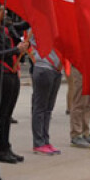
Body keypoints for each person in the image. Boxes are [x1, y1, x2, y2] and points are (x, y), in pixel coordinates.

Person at [0, 7, 30, 163]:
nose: (5, 13)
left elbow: (23, 26)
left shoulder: (8, 26)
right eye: (0, 10)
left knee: (8, 115)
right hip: (1, 73)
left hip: (13, 72)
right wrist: (15, 50)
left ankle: (6, 147)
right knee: (1, 114)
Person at [27, 28, 64, 156]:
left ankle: (45, 140)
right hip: (44, 67)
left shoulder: (59, 25)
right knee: (40, 107)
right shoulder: (39, 25)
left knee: (48, 108)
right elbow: (30, 41)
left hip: (57, 69)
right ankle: (38, 142)